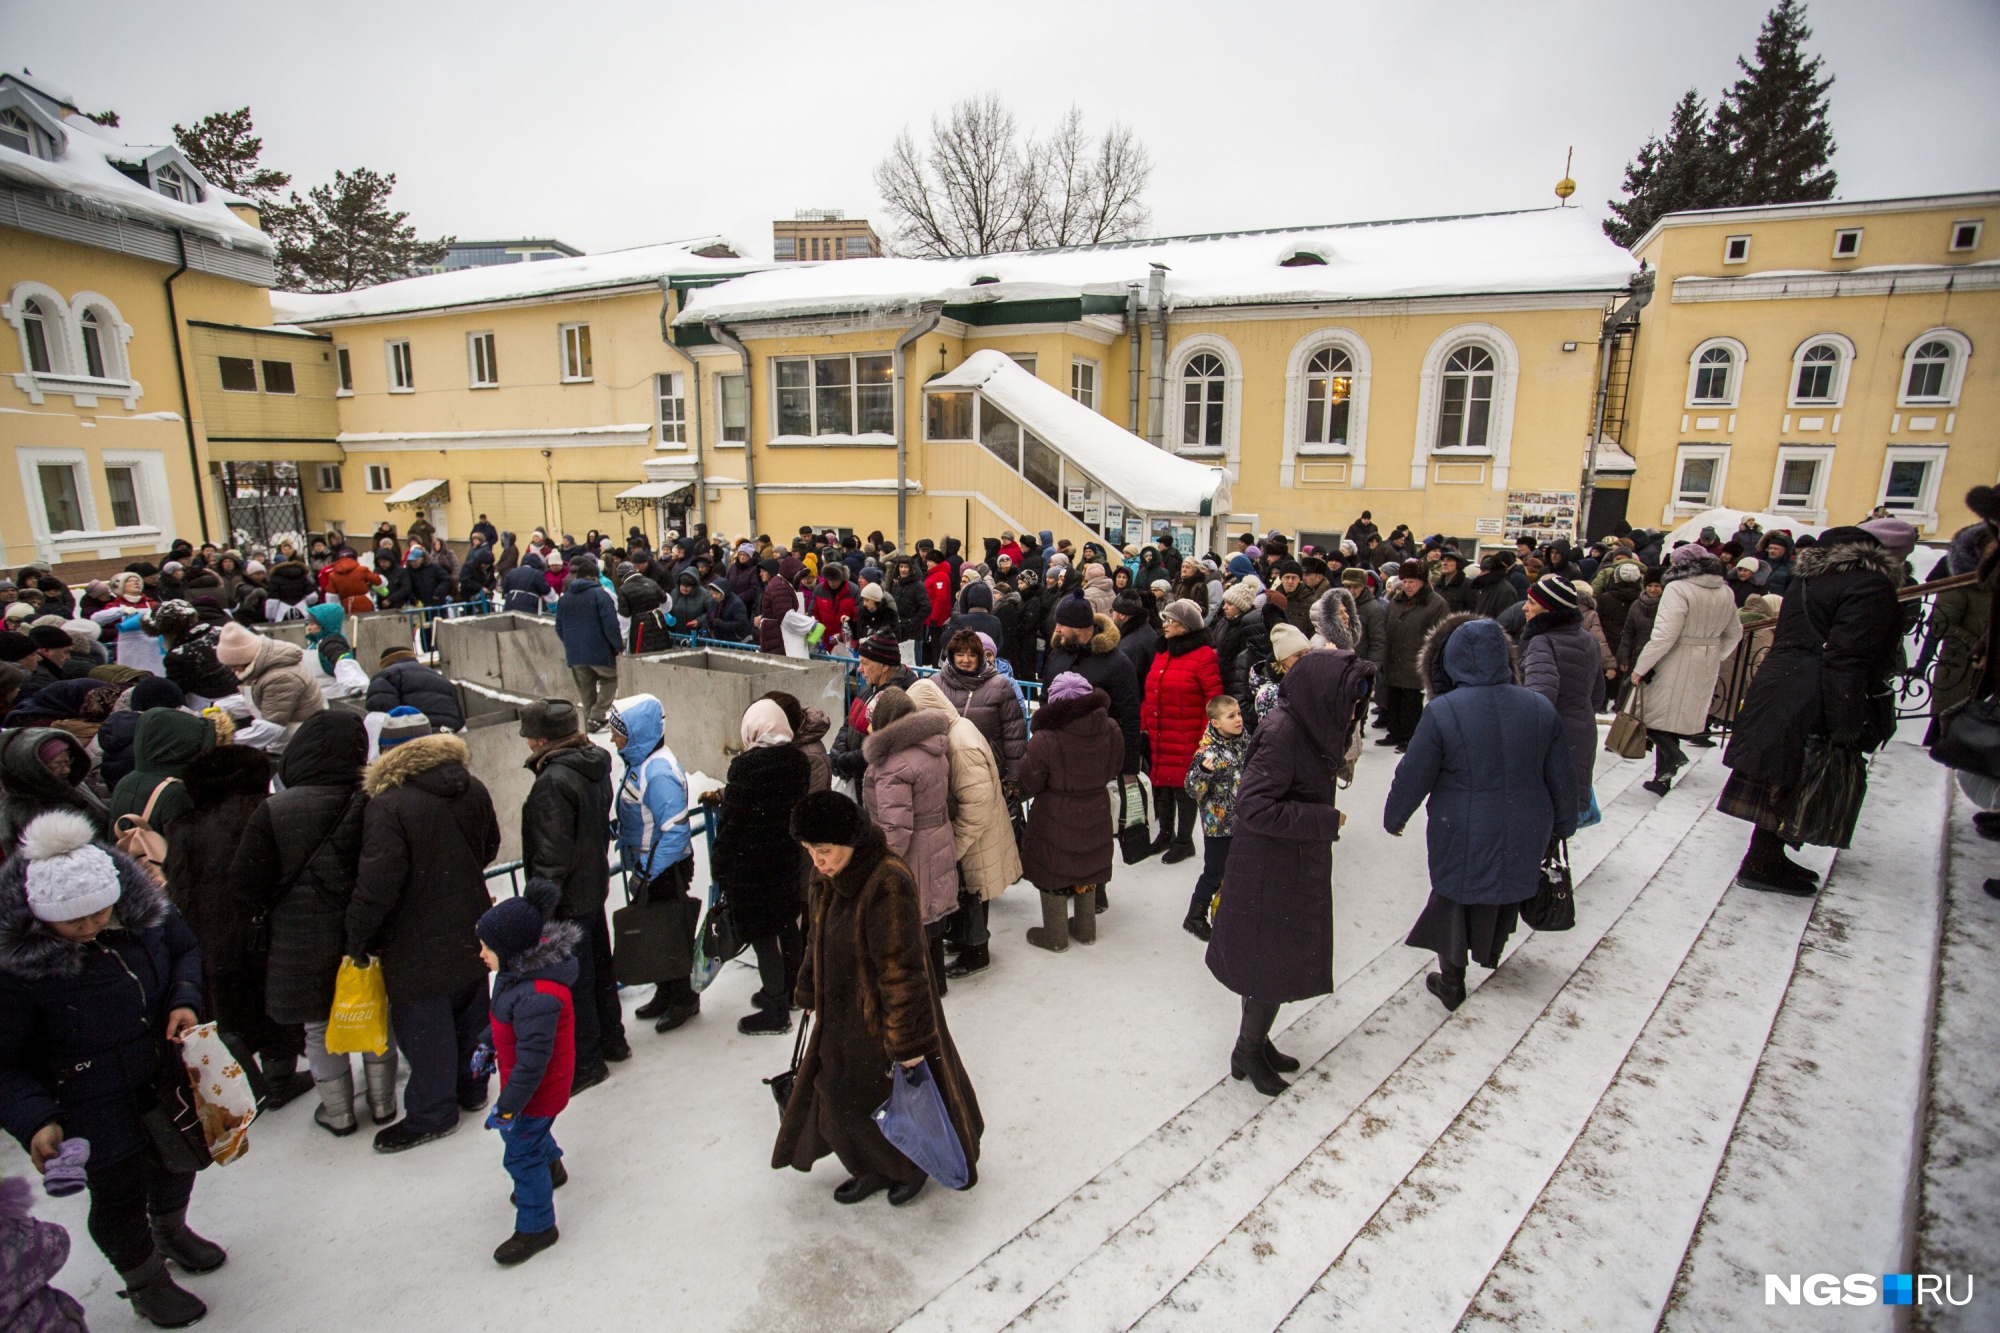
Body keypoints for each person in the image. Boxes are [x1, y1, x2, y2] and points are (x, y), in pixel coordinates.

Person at [0, 811, 217, 1328]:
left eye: (102, 914)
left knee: (178, 1161)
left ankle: (171, 1230)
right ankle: (145, 1280)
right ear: (40, 913)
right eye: (76, 921)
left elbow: (184, 950)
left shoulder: (139, 915)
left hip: (159, 1078)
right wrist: (36, 1120)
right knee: (118, 1195)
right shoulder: (15, 971)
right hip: (85, 1101)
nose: (93, 927)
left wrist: (184, 999)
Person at [776, 791, 983, 1206]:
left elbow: (902, 971)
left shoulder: (887, 882)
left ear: (849, 840)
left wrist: (907, 1044)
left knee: (887, 1099)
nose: (818, 861)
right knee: (840, 1100)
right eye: (810, 852)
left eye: (825, 851)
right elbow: (815, 939)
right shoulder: (827, 877)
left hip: (882, 1021)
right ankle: (868, 1166)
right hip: (838, 1018)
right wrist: (808, 988)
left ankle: (907, 1168)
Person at [1387, 617, 1576, 1012]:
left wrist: (1396, 815)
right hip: (1527, 820)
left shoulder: (1443, 710)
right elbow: (1561, 772)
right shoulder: (1538, 706)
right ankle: (1489, 952)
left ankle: (1452, 980)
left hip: (1461, 823)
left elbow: (1414, 772)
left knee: (1454, 898)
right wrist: (1563, 822)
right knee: (1501, 886)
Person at [1206, 651, 1374, 1095]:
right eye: (1350, 702)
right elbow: (1253, 807)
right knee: (1270, 962)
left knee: (1273, 961)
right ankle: (1247, 1049)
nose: (1354, 711)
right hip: (1269, 867)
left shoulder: (1306, 724)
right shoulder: (1284, 733)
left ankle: (1256, 1043)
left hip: (1287, 863)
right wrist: (1323, 820)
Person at [230, 711, 392, 1136]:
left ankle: (338, 1112)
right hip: (367, 926)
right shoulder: (372, 798)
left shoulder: (274, 809)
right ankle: (383, 1102)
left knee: (319, 1024)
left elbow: (246, 882)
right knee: (376, 1007)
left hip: (298, 936)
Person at [346, 719, 502, 1152]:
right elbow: (490, 846)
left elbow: (378, 884)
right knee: (472, 1011)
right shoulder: (470, 787)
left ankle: (433, 1113)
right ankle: (472, 1090)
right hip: (470, 923)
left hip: (414, 935)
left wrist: (357, 934)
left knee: (424, 1025)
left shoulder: (389, 805)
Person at [1719, 525, 1902, 895]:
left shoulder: (1808, 580)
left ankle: (1767, 856)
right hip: (1818, 691)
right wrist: (1847, 719)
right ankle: (1761, 862)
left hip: (1782, 683)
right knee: (1799, 776)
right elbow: (1847, 657)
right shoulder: (1869, 585)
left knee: (1779, 776)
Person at [160, 735, 312, 1111]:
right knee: (273, 1003)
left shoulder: (183, 825)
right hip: (263, 928)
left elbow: (177, 883)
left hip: (205, 933)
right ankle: (280, 1077)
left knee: (228, 1006)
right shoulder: (266, 811)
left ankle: (245, 1083)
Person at [519, 699, 625, 1089]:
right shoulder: (593, 762)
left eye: (531, 737)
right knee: (598, 967)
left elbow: (551, 853)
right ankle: (613, 1039)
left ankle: (587, 1062)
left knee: (574, 982)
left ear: (542, 739)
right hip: (592, 884)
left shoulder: (552, 782)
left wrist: (539, 906)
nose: (528, 744)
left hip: (567, 897)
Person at [474, 879, 576, 1266]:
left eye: (486, 946)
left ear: (510, 948)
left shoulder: (538, 994)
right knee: (532, 1135)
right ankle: (551, 1168)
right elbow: (503, 1018)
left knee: (520, 1153)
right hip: (529, 1086)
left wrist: (507, 1107)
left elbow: (534, 1062)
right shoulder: (516, 976)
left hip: (537, 1089)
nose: (481, 953)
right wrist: (488, 1044)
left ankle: (537, 1226)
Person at [907, 679, 1020, 982]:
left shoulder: (960, 742)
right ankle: (965, 942)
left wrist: (954, 845)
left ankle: (976, 955)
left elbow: (976, 806)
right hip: (975, 833)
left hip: (977, 836)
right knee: (971, 893)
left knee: (975, 893)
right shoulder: (956, 729)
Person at [712, 700, 813, 1036]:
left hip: (751, 866)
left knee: (762, 935)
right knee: (786, 924)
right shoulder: (797, 762)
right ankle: (795, 989)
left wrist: (720, 866)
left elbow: (731, 824)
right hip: (783, 858)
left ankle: (775, 1007)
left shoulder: (746, 768)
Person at [609, 695, 701, 1033]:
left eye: (619, 733)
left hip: (664, 868)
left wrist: (647, 871)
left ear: (638, 733)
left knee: (669, 932)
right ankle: (666, 992)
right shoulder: (642, 760)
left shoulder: (658, 771)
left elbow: (675, 832)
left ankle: (684, 999)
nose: (613, 739)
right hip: (651, 865)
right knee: (658, 932)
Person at [1018, 672, 1124, 951]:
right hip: (1096, 807)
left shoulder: (1045, 738)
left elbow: (1030, 780)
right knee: (1087, 866)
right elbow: (1115, 766)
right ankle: (1086, 930)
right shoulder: (1111, 728)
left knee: (1052, 870)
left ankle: (1055, 936)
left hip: (1055, 813)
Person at [860, 687, 959, 983]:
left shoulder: (893, 764)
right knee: (931, 917)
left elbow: (895, 828)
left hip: (915, 852)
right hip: (938, 839)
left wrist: (880, 862)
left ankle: (924, 989)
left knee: (911, 921)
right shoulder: (931, 746)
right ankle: (937, 980)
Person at [1632, 544, 1744, 797]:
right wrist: (1716, 653)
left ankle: (1673, 757)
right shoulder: (1725, 591)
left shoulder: (1677, 588)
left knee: (1649, 714)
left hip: (1674, 657)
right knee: (1672, 720)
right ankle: (1662, 778)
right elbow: (1735, 633)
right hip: (1706, 659)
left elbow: (1664, 635)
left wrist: (1641, 667)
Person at [1143, 599, 1225, 864]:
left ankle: (1184, 840)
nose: (1165, 625)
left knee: (1185, 788)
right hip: (1161, 731)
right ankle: (1165, 834)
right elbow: (1151, 690)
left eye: (1170, 621)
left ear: (1185, 626)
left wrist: (1205, 738)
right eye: (1165, 620)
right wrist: (1145, 720)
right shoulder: (1162, 652)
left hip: (1189, 734)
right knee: (1162, 785)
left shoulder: (1204, 656)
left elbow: (1213, 700)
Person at [1518, 576, 1602, 822]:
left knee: (1542, 807)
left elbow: (1539, 700)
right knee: (1566, 799)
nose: (1524, 607)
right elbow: (1597, 695)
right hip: (1582, 730)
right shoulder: (1589, 640)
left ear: (1548, 609)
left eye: (1531, 603)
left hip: (1552, 737)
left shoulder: (1542, 642)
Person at [1181, 694, 1247, 940]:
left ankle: (1229, 912)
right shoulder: (1208, 753)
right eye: (1231, 716)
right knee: (1215, 871)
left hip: (1243, 821)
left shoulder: (1243, 742)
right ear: (1216, 723)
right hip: (1219, 827)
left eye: (1239, 713)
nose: (1239, 719)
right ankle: (1195, 915)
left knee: (1239, 869)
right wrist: (1202, 773)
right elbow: (1192, 789)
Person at [108, 707, 215, 837]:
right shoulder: (177, 793)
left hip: (126, 856)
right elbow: (183, 848)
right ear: (180, 744)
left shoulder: (126, 781)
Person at [0, 729, 107, 854]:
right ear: (36, 769)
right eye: (57, 765)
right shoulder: (22, 809)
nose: (67, 770)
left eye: (67, 762)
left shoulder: (72, 785)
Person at [214, 622, 327, 740]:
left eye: (234, 665)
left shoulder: (281, 677)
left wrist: (228, 741)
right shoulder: (262, 667)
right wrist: (223, 708)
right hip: (291, 739)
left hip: (300, 742)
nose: (232, 670)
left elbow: (271, 727)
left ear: (245, 659)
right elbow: (261, 697)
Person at [1380, 561, 1447, 751]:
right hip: (1394, 658)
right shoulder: (1396, 600)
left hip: (1415, 661)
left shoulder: (1436, 605)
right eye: (1405, 581)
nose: (1407, 586)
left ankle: (1409, 738)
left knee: (1411, 703)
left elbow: (1440, 636)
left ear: (1423, 583)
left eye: (1412, 582)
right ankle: (1394, 733)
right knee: (1393, 698)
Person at [554, 556, 622, 730]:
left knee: (586, 691)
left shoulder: (565, 598)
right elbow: (610, 624)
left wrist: (571, 645)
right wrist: (617, 647)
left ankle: (590, 725)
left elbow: (559, 627)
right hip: (600, 651)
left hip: (575, 655)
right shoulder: (600, 594)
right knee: (611, 678)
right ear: (594, 577)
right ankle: (597, 715)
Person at [366, 645, 465, 731]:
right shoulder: (440, 677)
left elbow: (381, 718)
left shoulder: (385, 676)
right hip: (448, 738)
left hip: (415, 741)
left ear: (385, 664)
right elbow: (460, 720)